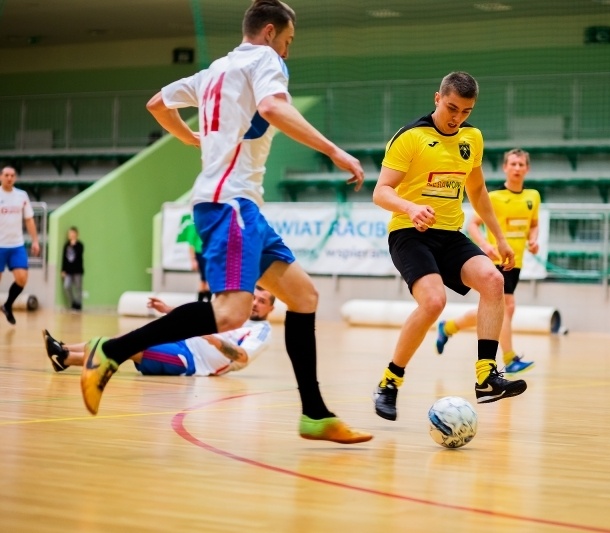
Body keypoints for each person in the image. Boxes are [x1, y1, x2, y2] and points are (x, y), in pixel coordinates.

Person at [80, 0, 371, 444]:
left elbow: (158, 103)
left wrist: (193, 139)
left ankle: (314, 413)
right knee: (232, 312)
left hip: (239, 203)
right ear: (271, 32)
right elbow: (273, 108)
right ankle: (112, 351)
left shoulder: (216, 69)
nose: (287, 53)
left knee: (303, 295)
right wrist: (334, 152)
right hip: (230, 202)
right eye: (288, 42)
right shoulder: (265, 60)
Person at [371, 72, 528, 422]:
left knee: (493, 281)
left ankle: (486, 377)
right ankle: (389, 382)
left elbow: (478, 191)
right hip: (409, 233)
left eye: (466, 111)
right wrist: (410, 208)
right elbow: (381, 191)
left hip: (449, 233)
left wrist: (499, 239)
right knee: (433, 302)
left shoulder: (472, 138)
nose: (457, 118)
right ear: (437, 98)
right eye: (452, 108)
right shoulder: (410, 138)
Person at [435, 149, 539, 376]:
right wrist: (485, 244)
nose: (517, 168)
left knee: (497, 310)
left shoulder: (533, 196)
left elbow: (533, 224)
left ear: (527, 169)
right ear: (505, 167)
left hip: (517, 261)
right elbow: (473, 224)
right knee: (507, 306)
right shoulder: (493, 197)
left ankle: (450, 326)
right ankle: (509, 359)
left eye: (521, 164)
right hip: (498, 261)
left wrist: (533, 239)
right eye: (513, 164)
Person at [44, 286, 275, 377]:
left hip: (191, 362)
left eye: (262, 301)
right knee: (126, 340)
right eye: (255, 297)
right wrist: (168, 310)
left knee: (132, 347)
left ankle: (66, 357)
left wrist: (213, 340)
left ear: (271, 308)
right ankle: (64, 350)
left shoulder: (262, 330)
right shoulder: (235, 309)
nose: (255, 303)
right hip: (183, 343)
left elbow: (243, 358)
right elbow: (195, 317)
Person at [0, 165, 40, 325]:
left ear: (15, 178)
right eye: (6, 175)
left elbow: (29, 219)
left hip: (16, 245)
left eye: (12, 175)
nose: (9, 178)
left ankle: (8, 305)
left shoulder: (21, 196)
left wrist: (35, 240)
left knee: (22, 279)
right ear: (1, 177)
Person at [177, 214, 211, 302]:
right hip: (200, 254)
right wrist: (193, 260)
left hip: (207, 254)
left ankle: (203, 304)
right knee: (205, 280)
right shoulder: (194, 226)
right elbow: (191, 244)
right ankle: (203, 303)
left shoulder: (207, 226)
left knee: (205, 280)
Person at [61, 226, 85, 311]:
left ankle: (78, 305)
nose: (70, 235)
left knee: (78, 288)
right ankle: (73, 303)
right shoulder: (66, 245)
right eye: (69, 233)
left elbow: (79, 255)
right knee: (66, 286)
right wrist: (63, 270)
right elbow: (64, 258)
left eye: (72, 233)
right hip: (68, 271)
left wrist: (74, 245)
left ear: (76, 234)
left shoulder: (80, 245)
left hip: (77, 271)